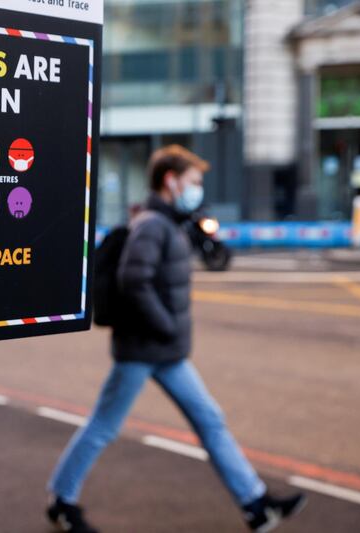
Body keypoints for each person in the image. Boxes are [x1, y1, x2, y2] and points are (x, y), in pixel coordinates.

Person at [46, 145, 306, 533]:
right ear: (170, 180)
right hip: (143, 348)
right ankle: (62, 503)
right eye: (194, 181)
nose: (198, 188)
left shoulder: (168, 222)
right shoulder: (152, 225)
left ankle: (255, 503)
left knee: (210, 420)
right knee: (104, 426)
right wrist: (166, 324)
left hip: (165, 351)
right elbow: (134, 281)